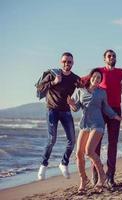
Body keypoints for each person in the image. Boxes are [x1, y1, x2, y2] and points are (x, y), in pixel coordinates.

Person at [68, 68, 122, 193]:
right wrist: (72, 104)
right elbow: (76, 108)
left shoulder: (101, 92)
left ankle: (102, 175)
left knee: (89, 151)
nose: (96, 79)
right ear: (90, 77)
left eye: (99, 78)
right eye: (95, 77)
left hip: (98, 124)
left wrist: (116, 116)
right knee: (78, 153)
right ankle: (83, 179)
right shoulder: (80, 90)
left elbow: (106, 108)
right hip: (85, 125)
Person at [36, 52, 81, 180]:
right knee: (52, 140)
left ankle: (63, 163)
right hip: (52, 110)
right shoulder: (53, 74)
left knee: (72, 140)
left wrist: (75, 104)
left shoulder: (75, 79)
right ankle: (43, 166)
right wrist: (54, 82)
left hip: (66, 111)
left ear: (73, 63)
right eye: (65, 61)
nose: (67, 64)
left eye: (70, 62)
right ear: (61, 62)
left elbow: (85, 86)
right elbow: (40, 88)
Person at [87, 49, 122, 187]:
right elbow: (83, 81)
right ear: (104, 59)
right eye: (109, 56)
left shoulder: (120, 72)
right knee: (96, 143)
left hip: (115, 110)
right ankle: (96, 173)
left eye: (114, 56)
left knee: (113, 143)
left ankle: (110, 176)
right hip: (100, 110)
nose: (112, 57)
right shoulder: (99, 72)